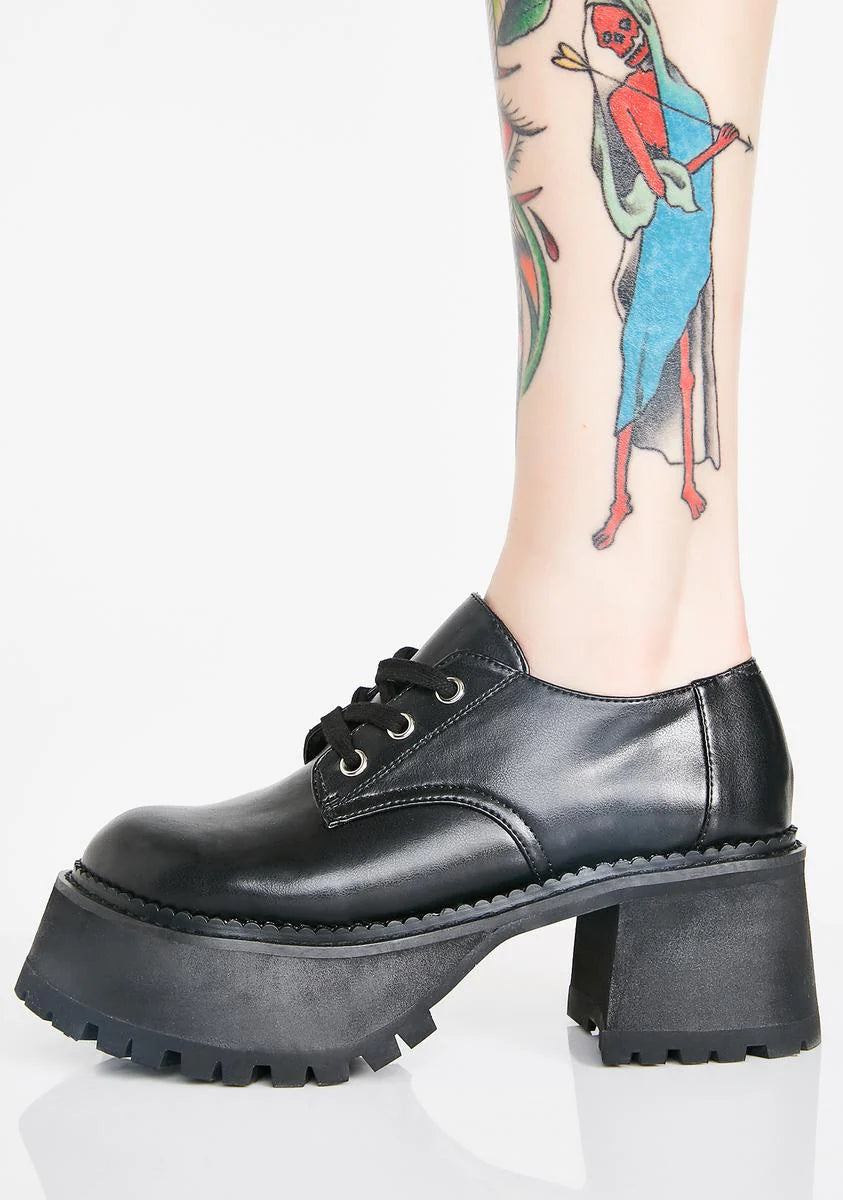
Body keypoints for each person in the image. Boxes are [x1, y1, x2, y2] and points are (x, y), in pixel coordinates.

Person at [17, 0, 820, 1084]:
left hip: (668, 243)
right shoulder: (623, 95)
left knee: (657, 359)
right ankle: (655, 681)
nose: (618, 44)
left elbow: (670, 175)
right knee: (645, 361)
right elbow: (638, 170)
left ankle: (597, 658)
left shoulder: (646, 91)